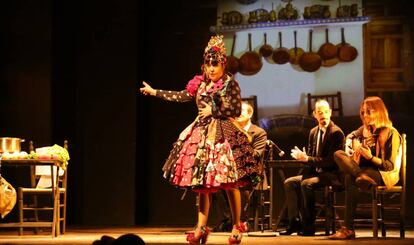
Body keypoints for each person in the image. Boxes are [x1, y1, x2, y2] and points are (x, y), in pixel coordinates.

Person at [140, 35, 261, 244]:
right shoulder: (200, 85)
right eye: (208, 64)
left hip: (224, 137)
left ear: (223, 65)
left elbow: (233, 108)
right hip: (202, 137)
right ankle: (201, 228)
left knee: (230, 183)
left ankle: (236, 225)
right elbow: (181, 96)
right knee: (202, 183)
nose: (211, 69)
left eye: (215, 64)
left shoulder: (230, 85)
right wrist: (154, 92)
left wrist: (213, 109)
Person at [329, 96, 402, 240]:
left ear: (379, 112)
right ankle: (359, 176)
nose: (365, 115)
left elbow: (389, 166)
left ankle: (348, 229)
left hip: (382, 173)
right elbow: (351, 135)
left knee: (349, 178)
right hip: (364, 172)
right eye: (363, 112)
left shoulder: (391, 133)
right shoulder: (365, 130)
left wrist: (369, 157)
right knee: (338, 154)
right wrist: (349, 144)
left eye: (368, 112)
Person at [280, 99, 345, 236]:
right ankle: (295, 222)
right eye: (320, 112)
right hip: (316, 173)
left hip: (332, 174)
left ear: (330, 113)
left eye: (326, 112)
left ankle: (309, 226)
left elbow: (330, 162)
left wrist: (308, 159)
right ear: (315, 114)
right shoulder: (313, 132)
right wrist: (302, 157)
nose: (323, 115)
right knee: (289, 183)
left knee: (306, 184)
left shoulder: (336, 133)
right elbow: (311, 157)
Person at [213, 101, 267, 232]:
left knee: (239, 183)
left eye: (241, 111)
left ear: (250, 114)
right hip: (231, 171)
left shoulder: (259, 132)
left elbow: (256, 155)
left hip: (253, 173)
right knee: (215, 183)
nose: (237, 114)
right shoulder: (228, 131)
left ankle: (241, 221)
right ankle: (229, 220)